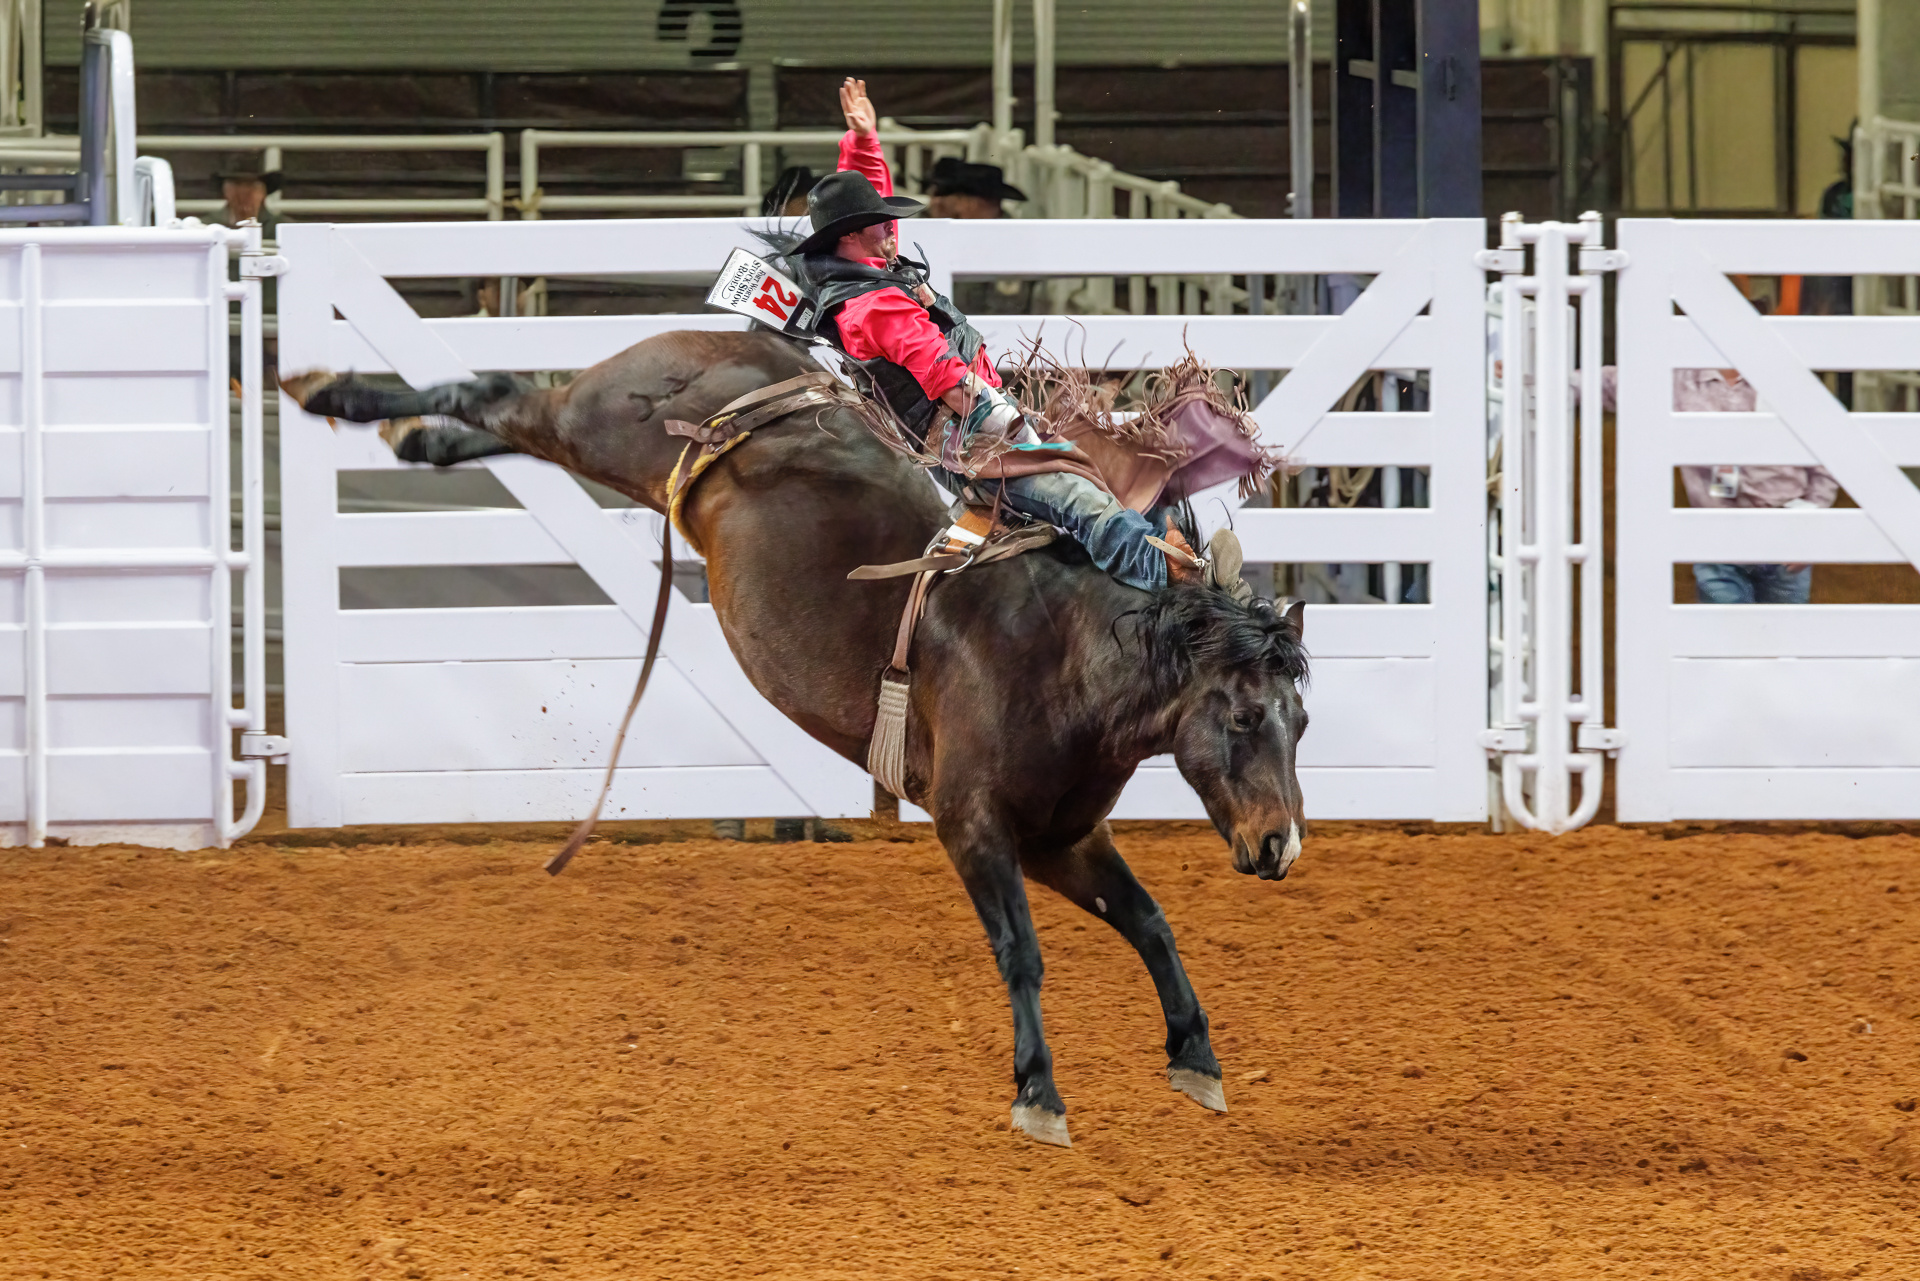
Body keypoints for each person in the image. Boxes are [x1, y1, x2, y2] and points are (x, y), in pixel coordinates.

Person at [787, 78, 1244, 596]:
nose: (891, 228)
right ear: (851, 235)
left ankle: (1181, 559)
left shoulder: (866, 272)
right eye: (878, 222)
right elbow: (941, 370)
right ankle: (1177, 584)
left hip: (977, 429)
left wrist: (863, 141)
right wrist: (1012, 423)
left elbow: (865, 200)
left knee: (1112, 470)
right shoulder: (875, 303)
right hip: (972, 445)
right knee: (1079, 497)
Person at [923, 156, 1036, 315]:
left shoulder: (1008, 240)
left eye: (953, 196)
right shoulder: (968, 234)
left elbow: (1005, 306)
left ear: (969, 202)